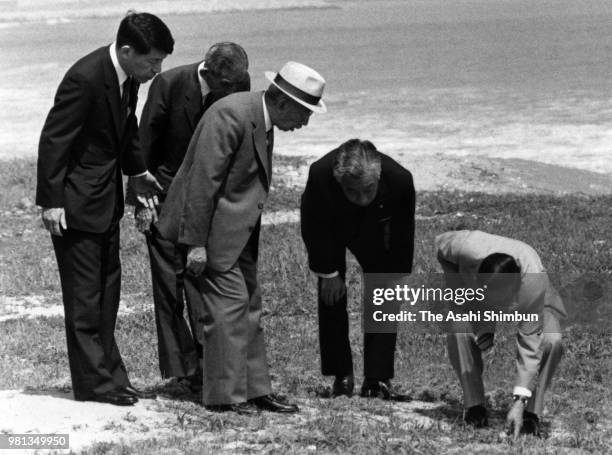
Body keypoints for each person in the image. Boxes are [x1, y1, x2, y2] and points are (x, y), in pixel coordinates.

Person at [157, 61, 326, 413]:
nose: (305, 122)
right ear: (281, 101)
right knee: (228, 311)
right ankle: (224, 396)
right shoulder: (230, 116)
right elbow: (203, 184)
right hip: (210, 233)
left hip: (237, 232)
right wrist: (197, 245)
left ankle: (254, 389)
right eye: (304, 113)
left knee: (249, 306)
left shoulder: (261, 117)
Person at [35, 12, 174, 406]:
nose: (156, 69)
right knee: (84, 301)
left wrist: (139, 172)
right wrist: (51, 201)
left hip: (105, 202)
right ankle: (94, 385)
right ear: (127, 51)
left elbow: (126, 128)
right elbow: (54, 140)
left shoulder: (127, 77)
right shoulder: (85, 76)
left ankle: (111, 376)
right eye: (152, 62)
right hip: (76, 204)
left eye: (160, 62)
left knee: (106, 295)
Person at [133, 42, 250, 391]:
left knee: (202, 285)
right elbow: (145, 141)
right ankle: (183, 372)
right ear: (209, 71)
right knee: (168, 290)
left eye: (236, 84)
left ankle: (210, 365)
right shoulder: (168, 83)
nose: (231, 92)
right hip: (166, 196)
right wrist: (141, 200)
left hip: (210, 200)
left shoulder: (237, 83)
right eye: (225, 84)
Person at [300, 139, 415, 400]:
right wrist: (329, 273)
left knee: (383, 295)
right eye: (353, 191)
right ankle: (341, 374)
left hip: (377, 228)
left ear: (378, 177)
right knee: (331, 293)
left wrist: (394, 280)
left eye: (368, 190)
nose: (361, 199)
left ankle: (376, 379)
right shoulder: (320, 175)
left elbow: (402, 236)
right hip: (332, 226)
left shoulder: (400, 180)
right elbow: (312, 226)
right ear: (340, 182)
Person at [435, 230, 566, 437]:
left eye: (501, 301)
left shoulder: (532, 285)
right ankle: (474, 406)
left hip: (535, 292)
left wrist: (519, 400)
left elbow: (530, 344)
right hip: (479, 280)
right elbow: (444, 254)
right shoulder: (461, 248)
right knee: (459, 326)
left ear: (514, 290)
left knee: (552, 341)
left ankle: (531, 413)